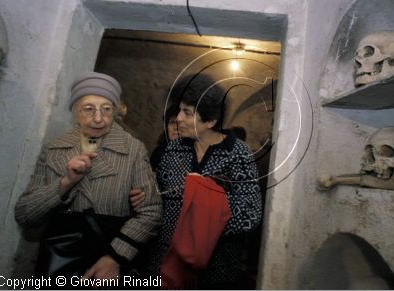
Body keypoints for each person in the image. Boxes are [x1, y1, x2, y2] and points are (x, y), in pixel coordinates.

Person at [14, 71, 162, 283]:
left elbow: (151, 211)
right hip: (60, 265)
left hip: (111, 262)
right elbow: (25, 215)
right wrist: (66, 183)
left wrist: (114, 258)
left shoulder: (133, 150)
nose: (99, 118)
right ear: (75, 111)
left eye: (106, 109)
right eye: (89, 109)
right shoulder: (54, 150)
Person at [150, 73, 263, 289]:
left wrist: (201, 218)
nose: (179, 118)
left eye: (187, 113)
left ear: (210, 121)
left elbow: (250, 214)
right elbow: (157, 200)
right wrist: (145, 197)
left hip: (216, 269)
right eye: (179, 110)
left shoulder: (238, 154)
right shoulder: (172, 150)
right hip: (166, 267)